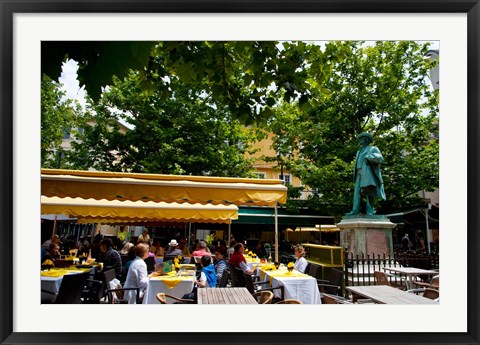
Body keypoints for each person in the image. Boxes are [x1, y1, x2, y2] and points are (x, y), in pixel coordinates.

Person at [347, 132, 386, 216]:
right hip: (358, 173)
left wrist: (370, 156)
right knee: (357, 192)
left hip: (368, 173)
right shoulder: (359, 151)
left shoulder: (373, 148)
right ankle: (355, 210)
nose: (360, 140)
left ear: (366, 140)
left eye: (362, 138)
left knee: (369, 191)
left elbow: (380, 159)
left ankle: (370, 211)